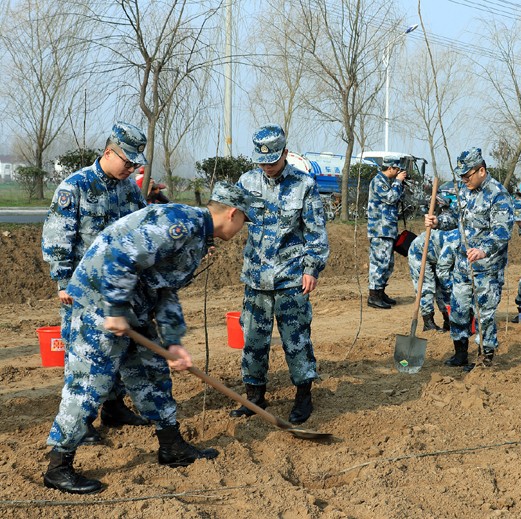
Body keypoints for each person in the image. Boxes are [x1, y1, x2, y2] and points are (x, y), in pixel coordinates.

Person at [43, 182, 252, 494]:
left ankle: (172, 447)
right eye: (244, 222)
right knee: (90, 385)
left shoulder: (197, 236)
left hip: (133, 306)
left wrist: (174, 340)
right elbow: (121, 258)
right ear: (232, 214)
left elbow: (165, 287)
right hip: (101, 302)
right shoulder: (177, 223)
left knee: (153, 375)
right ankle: (58, 467)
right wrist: (114, 309)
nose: (241, 229)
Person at [42, 121, 150, 445]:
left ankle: (114, 408)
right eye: (127, 162)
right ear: (108, 152)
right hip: (82, 293)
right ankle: (81, 423)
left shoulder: (129, 189)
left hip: (117, 292)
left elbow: (142, 226)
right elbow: (57, 237)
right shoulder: (74, 187)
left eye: (134, 164)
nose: (130, 169)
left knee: (116, 353)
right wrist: (62, 281)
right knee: (83, 362)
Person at [231, 124, 329, 425]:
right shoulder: (246, 182)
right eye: (262, 161)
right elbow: (229, 217)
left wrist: (312, 268)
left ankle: (303, 396)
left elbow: (316, 232)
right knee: (253, 340)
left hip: (291, 279)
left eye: (272, 160)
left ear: (285, 153)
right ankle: (254, 396)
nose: (267, 167)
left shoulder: (304, 184)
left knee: (296, 340)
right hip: (256, 279)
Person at [424, 148, 514, 370]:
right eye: (461, 176)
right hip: (463, 265)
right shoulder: (465, 191)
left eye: (467, 175)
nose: (464, 180)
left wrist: (484, 250)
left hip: (487, 268)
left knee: (484, 314)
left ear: (481, 170)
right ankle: (460, 353)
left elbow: (502, 231)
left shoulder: (498, 195)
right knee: (459, 309)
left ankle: (485, 357)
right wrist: (437, 222)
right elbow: (455, 217)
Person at [407, 207, 459, 331]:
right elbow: (442, 272)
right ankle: (428, 322)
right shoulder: (454, 243)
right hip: (419, 252)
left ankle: (448, 320)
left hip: (436, 253)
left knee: (443, 289)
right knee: (427, 286)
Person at [366, 155, 406, 309]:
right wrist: (398, 182)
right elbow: (390, 198)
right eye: (397, 169)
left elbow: (397, 198)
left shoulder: (386, 182)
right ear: (390, 168)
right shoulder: (378, 181)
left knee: (387, 264)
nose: (398, 172)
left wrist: (400, 185)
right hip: (380, 230)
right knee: (379, 263)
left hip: (387, 230)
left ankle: (380, 292)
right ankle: (373, 296)